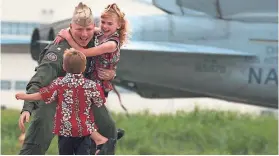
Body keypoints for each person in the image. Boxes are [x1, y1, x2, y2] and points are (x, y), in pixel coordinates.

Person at [18, 2, 118, 155]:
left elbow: (110, 61)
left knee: (108, 128)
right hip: (55, 97)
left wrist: (112, 73)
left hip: (83, 95)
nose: (84, 35)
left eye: (88, 29)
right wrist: (28, 107)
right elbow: (41, 78)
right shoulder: (59, 49)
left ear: (94, 28)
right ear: (71, 27)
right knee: (40, 133)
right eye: (79, 29)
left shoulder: (98, 41)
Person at [16, 49, 115, 155]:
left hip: (65, 130)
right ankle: (100, 141)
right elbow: (99, 102)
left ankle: (100, 140)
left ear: (64, 67)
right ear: (84, 67)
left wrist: (26, 96)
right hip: (84, 131)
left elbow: (43, 95)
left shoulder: (59, 83)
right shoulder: (92, 86)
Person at [55, 3, 130, 98]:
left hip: (100, 83)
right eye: (103, 22)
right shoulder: (101, 33)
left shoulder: (111, 44)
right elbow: (79, 28)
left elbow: (83, 52)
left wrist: (67, 37)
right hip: (91, 76)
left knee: (87, 107)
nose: (105, 26)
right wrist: (63, 33)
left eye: (110, 23)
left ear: (118, 25)